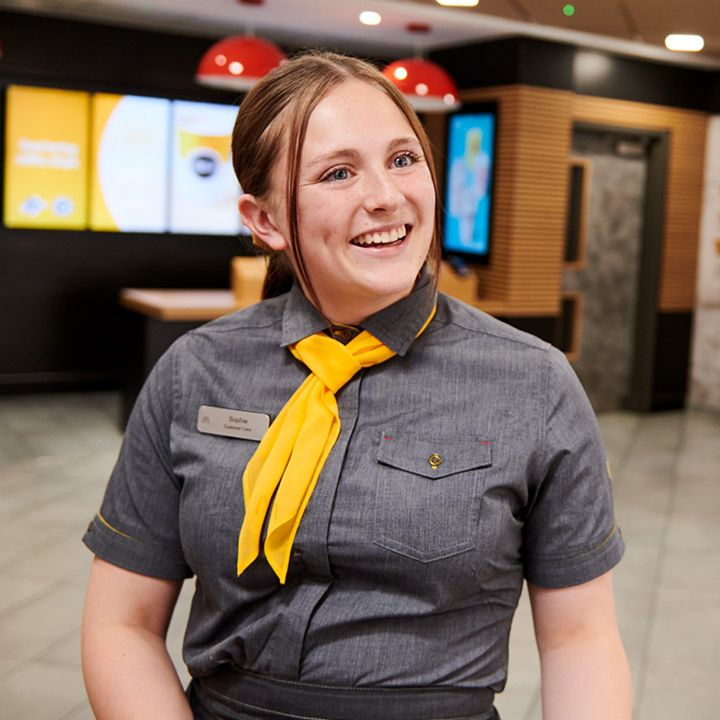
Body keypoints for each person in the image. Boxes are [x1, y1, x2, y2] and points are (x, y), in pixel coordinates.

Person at [81, 50, 632, 720]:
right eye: (339, 172)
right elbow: (123, 624)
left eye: (403, 159)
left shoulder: (534, 385)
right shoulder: (194, 371)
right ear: (265, 221)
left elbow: (582, 638)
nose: (386, 196)